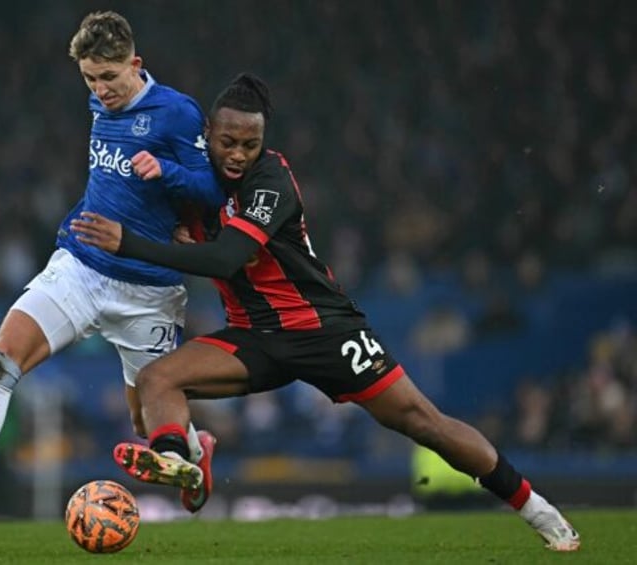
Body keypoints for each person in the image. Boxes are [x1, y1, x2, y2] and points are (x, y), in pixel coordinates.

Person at [70, 73, 581, 552]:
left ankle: (537, 510)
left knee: (424, 423)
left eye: (250, 144)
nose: (238, 155)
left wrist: (129, 243)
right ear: (209, 135)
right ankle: (184, 462)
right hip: (255, 338)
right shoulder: (193, 187)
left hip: (325, 331)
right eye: (228, 142)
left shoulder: (272, 179)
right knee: (159, 379)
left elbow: (225, 257)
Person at [0, 10, 223, 527]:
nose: (101, 90)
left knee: (146, 422)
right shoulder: (98, 101)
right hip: (80, 265)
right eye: (90, 79)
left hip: (148, 289)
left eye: (109, 78)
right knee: (1, 359)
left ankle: (194, 451)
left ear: (136, 64)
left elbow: (212, 192)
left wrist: (166, 171)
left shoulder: (177, 114)